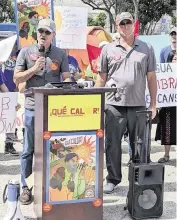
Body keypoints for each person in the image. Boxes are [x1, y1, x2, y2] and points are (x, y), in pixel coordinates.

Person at [95, 12, 157, 194]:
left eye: (128, 22)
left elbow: (152, 78)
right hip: (113, 106)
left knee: (140, 145)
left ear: (134, 24)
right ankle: (113, 179)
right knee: (112, 144)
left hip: (138, 106)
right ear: (116, 25)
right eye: (121, 23)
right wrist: (97, 105)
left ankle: (139, 181)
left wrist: (153, 104)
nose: (125, 25)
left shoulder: (146, 48)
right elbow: (101, 79)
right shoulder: (107, 49)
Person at [14, 18, 71, 205]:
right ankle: (25, 187)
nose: (42, 35)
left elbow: (66, 78)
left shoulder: (60, 54)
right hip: (32, 108)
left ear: (53, 35)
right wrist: (34, 69)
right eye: (40, 31)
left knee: (55, 148)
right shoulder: (25, 52)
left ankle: (50, 187)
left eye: (47, 32)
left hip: (55, 110)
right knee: (28, 149)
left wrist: (72, 82)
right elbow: (17, 78)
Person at [155, 52, 176, 163]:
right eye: (174, 59)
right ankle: (166, 155)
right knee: (167, 131)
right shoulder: (164, 74)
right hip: (168, 106)